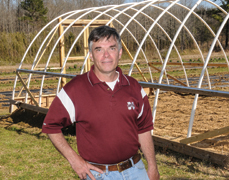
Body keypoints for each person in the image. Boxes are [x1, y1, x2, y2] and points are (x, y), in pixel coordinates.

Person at [42, 25, 160, 180]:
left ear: (119, 53)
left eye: (111, 48)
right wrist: (75, 160)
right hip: (98, 174)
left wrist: (152, 166)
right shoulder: (75, 89)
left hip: (135, 170)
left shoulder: (133, 87)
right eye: (99, 49)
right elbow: (50, 126)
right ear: (91, 55)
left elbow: (143, 129)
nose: (106, 55)